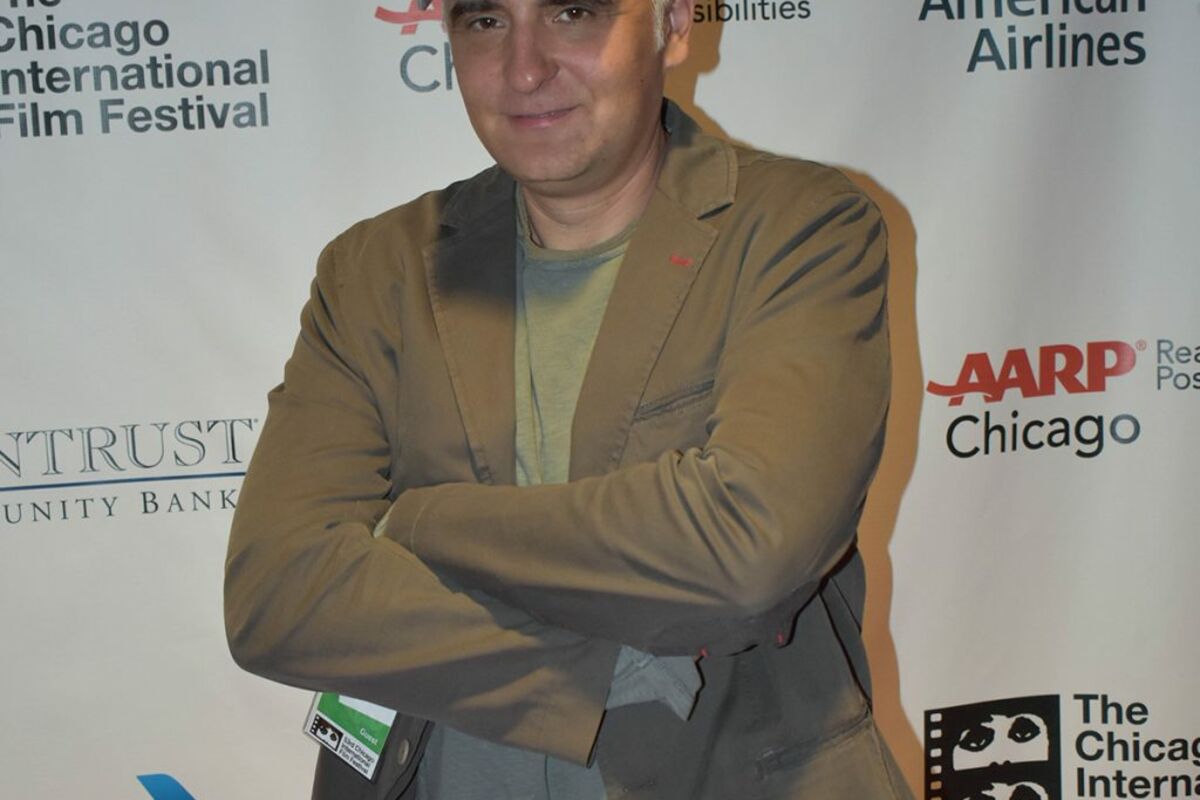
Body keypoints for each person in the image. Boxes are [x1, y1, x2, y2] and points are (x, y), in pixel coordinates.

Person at [224, 0, 913, 797]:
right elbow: (277, 595)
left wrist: (420, 524)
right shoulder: (377, 270)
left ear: (674, 24)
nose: (525, 69)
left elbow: (747, 552)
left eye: (573, 13)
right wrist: (597, 670)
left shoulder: (799, 228)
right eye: (486, 22)